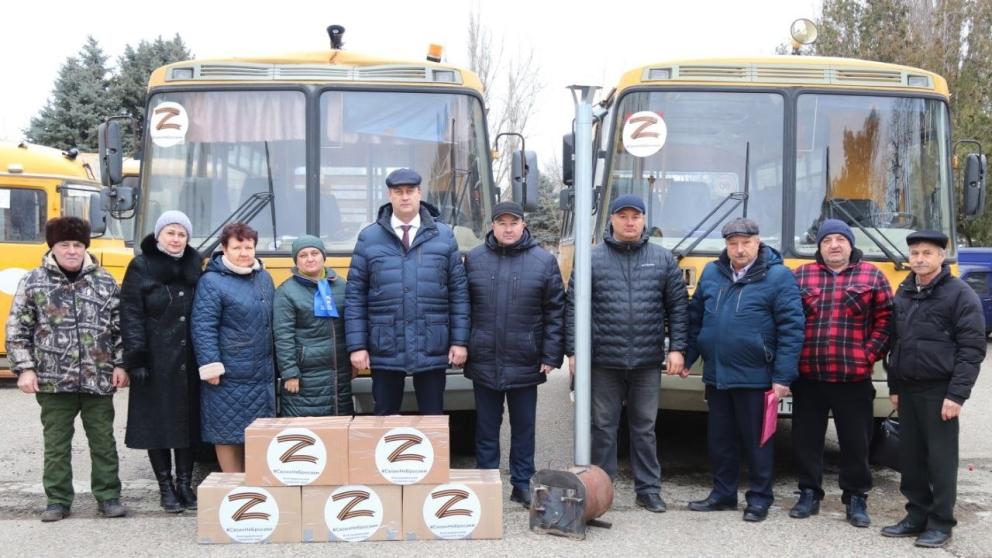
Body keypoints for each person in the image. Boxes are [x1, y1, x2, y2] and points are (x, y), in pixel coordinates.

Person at [565, 194, 689, 513]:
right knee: (604, 428)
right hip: (604, 360)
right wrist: (573, 351)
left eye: (636, 216)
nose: (630, 222)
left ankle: (648, 489)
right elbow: (573, 308)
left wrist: (677, 348)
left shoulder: (663, 260)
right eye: (623, 216)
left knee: (644, 428)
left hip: (647, 361)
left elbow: (678, 308)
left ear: (645, 220)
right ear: (612, 220)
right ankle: (602, 490)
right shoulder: (591, 258)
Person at [6, 216, 129, 521]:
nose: (72, 250)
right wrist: (25, 369)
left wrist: (121, 363)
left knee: (103, 440)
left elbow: (121, 328)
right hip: (52, 381)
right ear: (53, 247)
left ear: (85, 247)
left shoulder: (105, 282)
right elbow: (17, 329)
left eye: (77, 244)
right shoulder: (33, 281)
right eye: (65, 245)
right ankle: (58, 500)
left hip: (97, 379)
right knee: (56, 443)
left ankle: (108, 496)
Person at [685, 217, 804, 522]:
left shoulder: (779, 277)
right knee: (720, 441)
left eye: (745, 243)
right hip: (718, 374)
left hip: (757, 377)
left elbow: (792, 329)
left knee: (758, 442)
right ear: (726, 245)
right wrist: (686, 357)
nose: (739, 250)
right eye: (733, 243)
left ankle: (759, 498)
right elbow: (696, 317)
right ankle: (723, 495)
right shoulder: (712, 273)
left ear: (758, 242)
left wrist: (782, 377)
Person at [881, 230, 987, 548]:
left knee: (940, 461)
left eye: (927, 253)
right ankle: (916, 516)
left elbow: (972, 349)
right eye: (914, 253)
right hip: (909, 390)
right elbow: (895, 344)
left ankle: (941, 523)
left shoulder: (959, 294)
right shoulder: (905, 291)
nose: (920, 259)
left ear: (942, 256)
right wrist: (895, 386)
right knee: (911, 458)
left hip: (940, 391)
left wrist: (957, 395)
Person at [788, 219, 893, 527]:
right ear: (819, 247)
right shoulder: (801, 276)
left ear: (850, 244)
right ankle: (809, 493)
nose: (833, 245)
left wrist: (868, 354)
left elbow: (887, 321)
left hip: (853, 378)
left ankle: (856, 498)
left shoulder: (873, 276)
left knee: (855, 443)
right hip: (809, 377)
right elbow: (787, 320)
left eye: (839, 239)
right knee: (805, 441)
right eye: (826, 240)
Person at [344, 168, 470, 415]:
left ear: (419, 193)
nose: (404, 197)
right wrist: (357, 346)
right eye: (398, 192)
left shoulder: (443, 236)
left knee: (433, 418)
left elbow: (458, 293)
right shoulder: (369, 238)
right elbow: (355, 296)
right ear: (389, 195)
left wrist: (459, 341)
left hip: (432, 343)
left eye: (410, 191)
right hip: (385, 345)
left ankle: (431, 456)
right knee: (384, 420)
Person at [464, 202, 565, 509]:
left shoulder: (543, 261)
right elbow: (462, 307)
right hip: (484, 356)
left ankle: (522, 483)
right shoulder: (473, 259)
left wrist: (551, 353)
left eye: (513, 222)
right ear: (492, 226)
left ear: (523, 225)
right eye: (501, 223)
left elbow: (556, 310)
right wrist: (462, 344)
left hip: (526, 356)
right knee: (486, 426)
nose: (508, 228)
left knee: (524, 427)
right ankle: (487, 481)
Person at [120, 210, 203, 513]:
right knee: (158, 425)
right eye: (171, 233)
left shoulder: (196, 266)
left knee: (186, 424)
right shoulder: (141, 266)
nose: (176, 239)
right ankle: (165, 488)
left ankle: (184, 485)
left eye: (182, 234)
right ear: (158, 237)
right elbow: (130, 313)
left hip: (190, 360)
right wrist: (136, 358)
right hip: (155, 361)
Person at [191, 222, 276, 472]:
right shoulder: (212, 282)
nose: (244, 253)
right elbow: (203, 326)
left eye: (248, 247)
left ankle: (254, 482)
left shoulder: (263, 277)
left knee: (257, 430)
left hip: (261, 371)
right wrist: (211, 365)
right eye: (237, 247)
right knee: (226, 429)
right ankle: (231, 482)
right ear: (224, 249)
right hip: (228, 372)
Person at [273, 235, 353, 417]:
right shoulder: (286, 291)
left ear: (323, 257)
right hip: (305, 375)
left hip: (338, 374)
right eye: (303, 255)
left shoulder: (341, 286)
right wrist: (289, 372)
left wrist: (351, 361)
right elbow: (283, 335)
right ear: (296, 261)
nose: (310, 258)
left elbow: (351, 325)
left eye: (314, 253)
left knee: (338, 431)